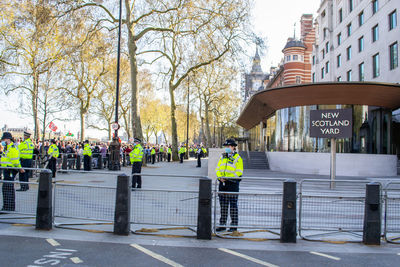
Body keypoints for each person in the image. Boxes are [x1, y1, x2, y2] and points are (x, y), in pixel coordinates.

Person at [215, 139, 243, 232]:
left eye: (228, 147)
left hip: (233, 184)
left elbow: (239, 172)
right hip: (222, 184)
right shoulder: (222, 157)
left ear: (233, 147)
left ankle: (233, 226)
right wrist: (220, 177)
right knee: (223, 205)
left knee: (233, 206)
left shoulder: (238, 158)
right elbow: (218, 168)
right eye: (225, 147)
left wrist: (227, 177)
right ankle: (222, 225)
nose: (226, 148)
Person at [0, 132, 24, 212]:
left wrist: (20, 168)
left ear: (8, 139)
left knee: (8, 188)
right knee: (7, 188)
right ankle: (8, 206)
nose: (2, 141)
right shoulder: (8, 148)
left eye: (3, 139)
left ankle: (8, 207)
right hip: (7, 169)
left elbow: (15, 161)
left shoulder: (13, 148)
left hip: (10, 170)